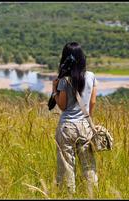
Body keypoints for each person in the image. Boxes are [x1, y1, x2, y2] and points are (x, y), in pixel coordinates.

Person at [51, 42, 98, 197]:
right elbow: (92, 102)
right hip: (85, 125)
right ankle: (92, 194)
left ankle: (68, 195)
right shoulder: (91, 76)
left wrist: (54, 90)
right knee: (89, 165)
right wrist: (87, 119)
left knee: (66, 167)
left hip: (67, 128)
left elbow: (63, 106)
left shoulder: (64, 80)